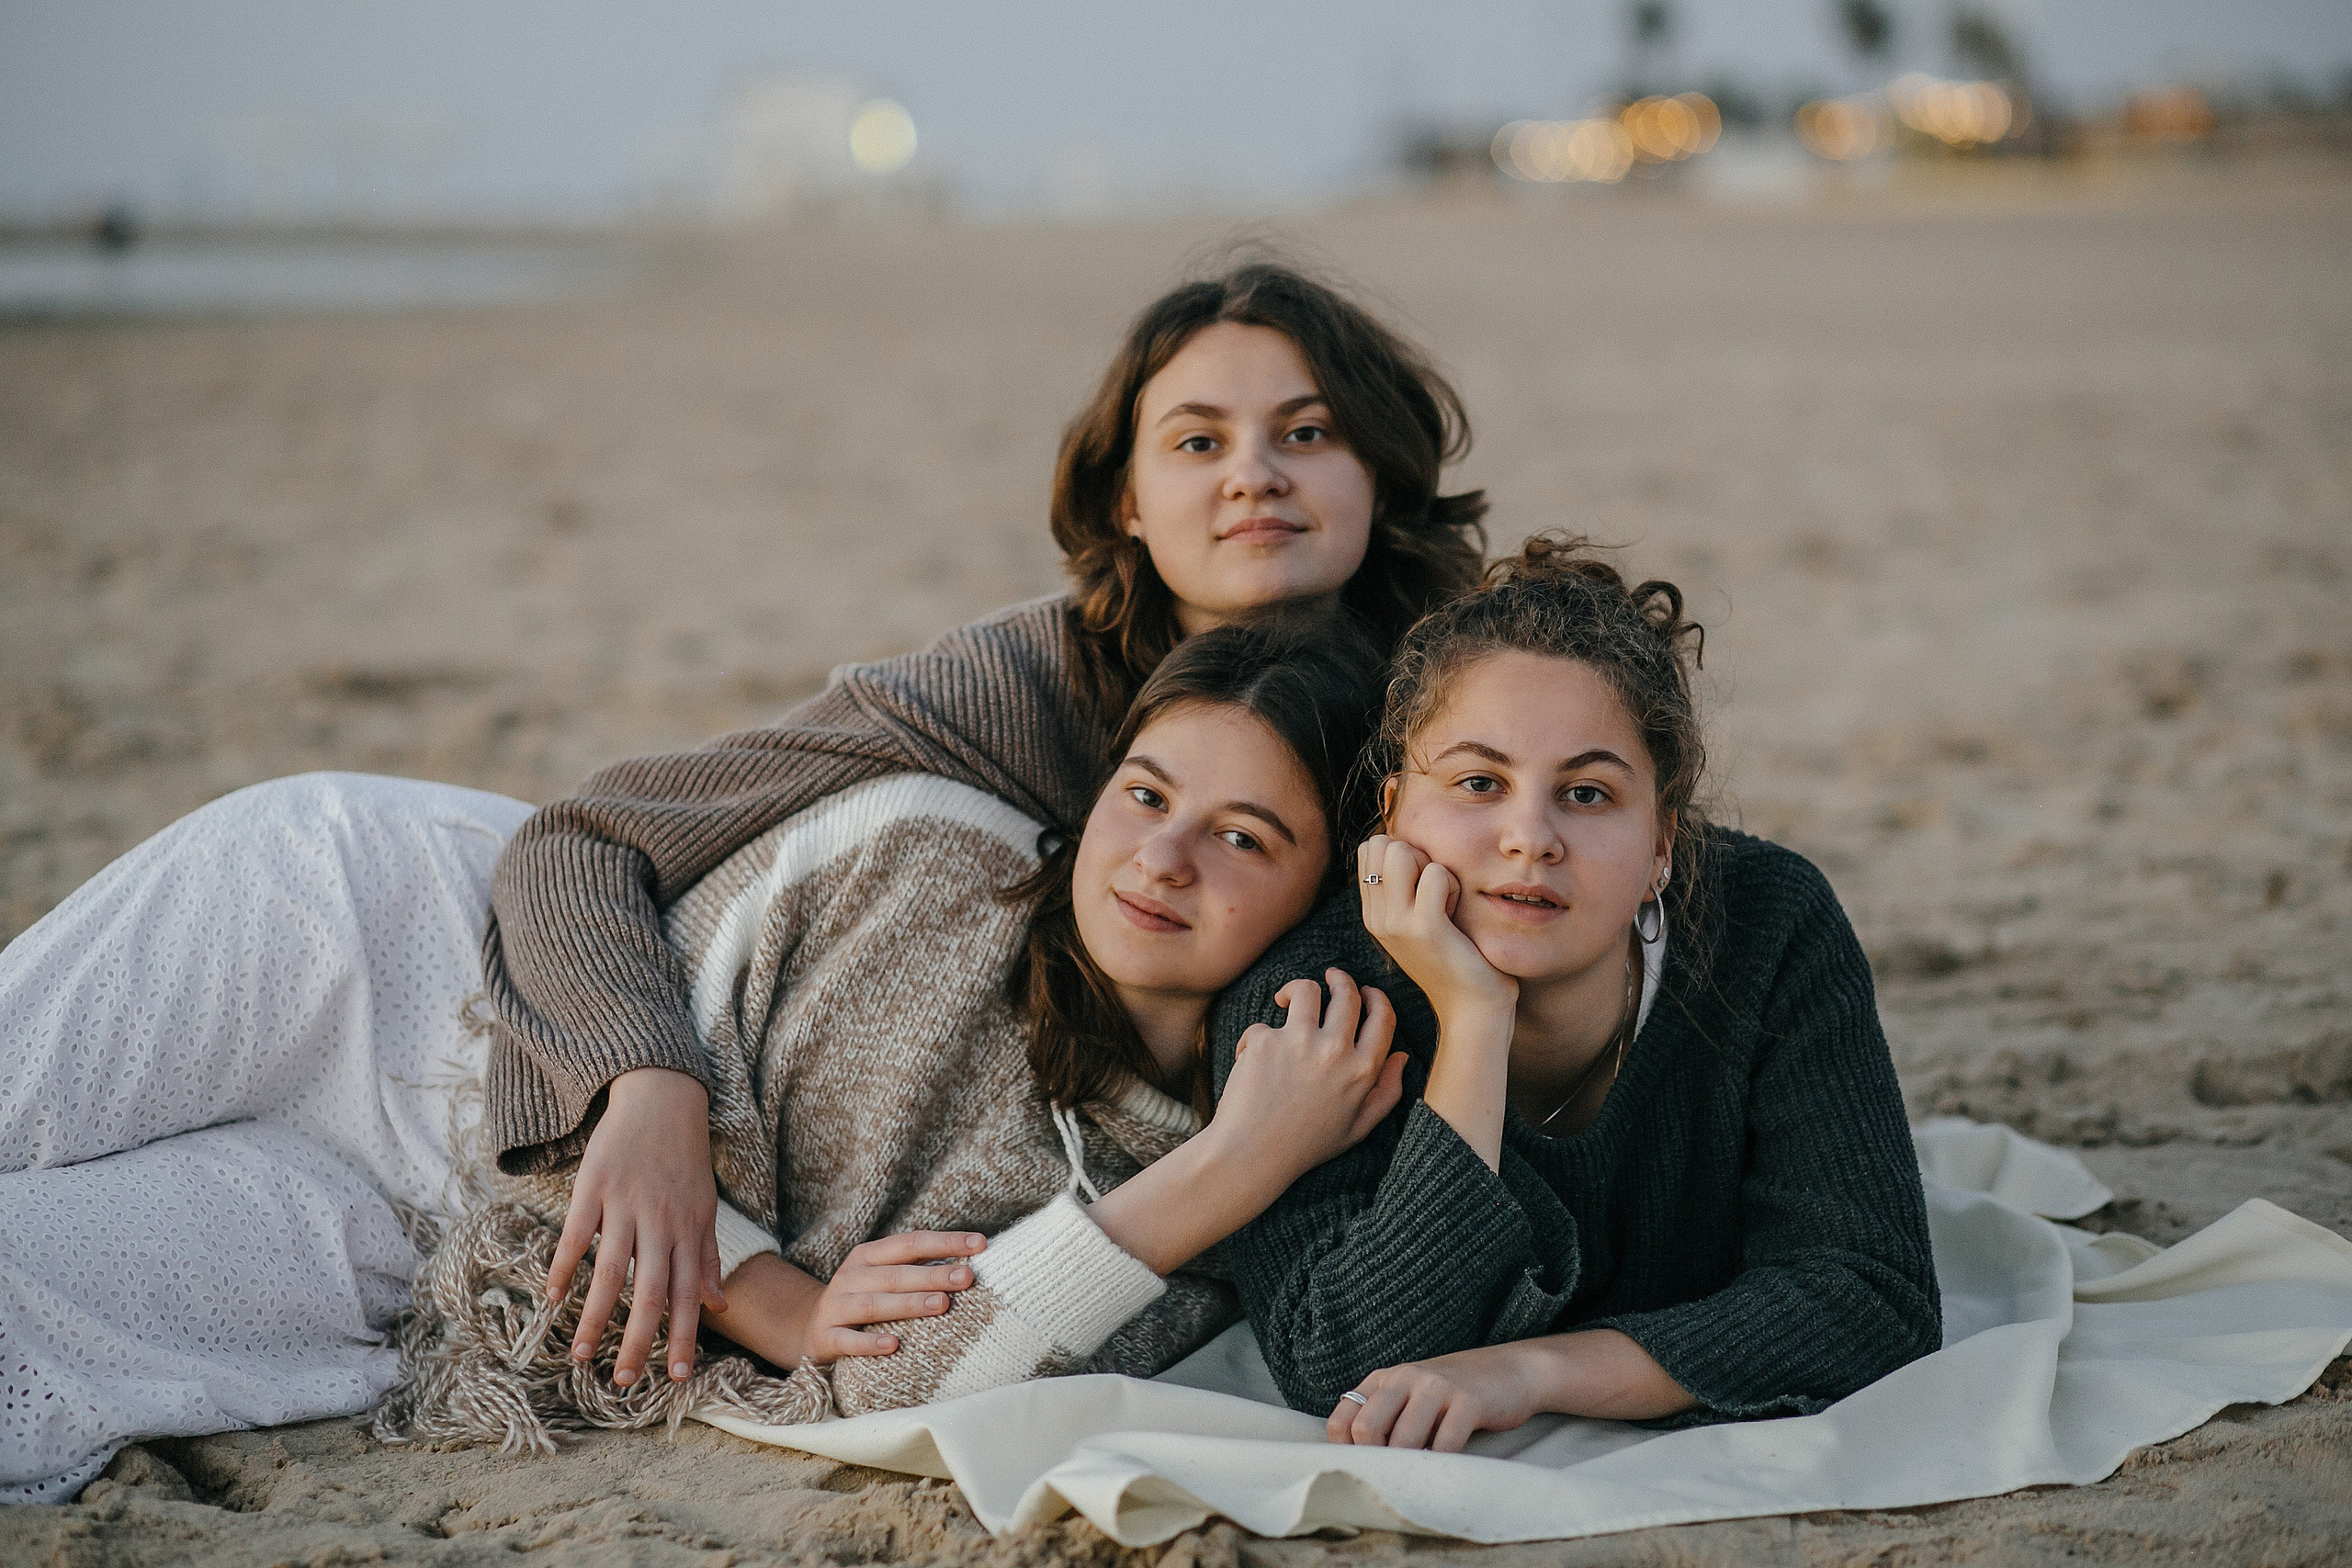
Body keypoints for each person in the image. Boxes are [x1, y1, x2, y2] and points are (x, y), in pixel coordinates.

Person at [0, 623, 1403, 1495]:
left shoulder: (1201, 1184)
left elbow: (906, 1384)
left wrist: (1233, 1161)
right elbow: (627, 1102)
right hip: (385, 954)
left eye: (1244, 835)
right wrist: (778, 1301)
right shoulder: (932, 860)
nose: (1161, 855)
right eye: (1146, 794)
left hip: (443, 1252)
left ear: (1316, 901)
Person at [480, 259, 1487, 1393]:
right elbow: (582, 840)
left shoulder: (1459, 713)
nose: (1253, 476)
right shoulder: (1014, 687)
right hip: (644, 985)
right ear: (1128, 502)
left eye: (1306, 434)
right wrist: (649, 1084)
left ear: (1381, 473)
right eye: (1198, 443)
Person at [1205, 534, 1943, 1453]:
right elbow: (1343, 1362)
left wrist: (1534, 1370)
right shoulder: (1313, 1004)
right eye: (1478, 783)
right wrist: (1475, 1019)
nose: (1530, 838)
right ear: (1393, 812)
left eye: (1587, 794)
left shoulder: (1767, 922)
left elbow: (1871, 1298)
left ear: (1662, 844)